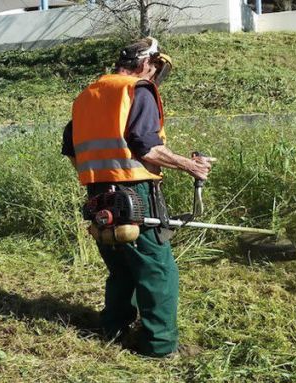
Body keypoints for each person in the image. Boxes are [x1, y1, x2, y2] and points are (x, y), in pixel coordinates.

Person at [61, 37, 214, 357]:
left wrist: (100, 178)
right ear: (147, 64)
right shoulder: (137, 90)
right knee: (157, 270)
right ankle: (159, 347)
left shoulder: (87, 95)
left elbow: (70, 146)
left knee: (121, 266)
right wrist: (191, 166)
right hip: (136, 191)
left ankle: (113, 328)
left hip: (98, 192)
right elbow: (148, 147)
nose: (156, 76)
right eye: (156, 68)